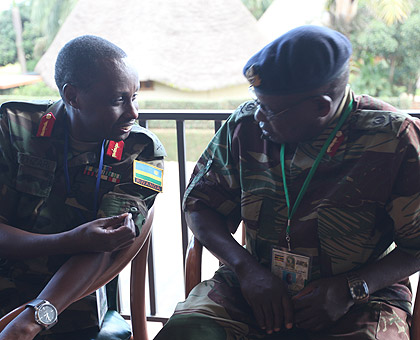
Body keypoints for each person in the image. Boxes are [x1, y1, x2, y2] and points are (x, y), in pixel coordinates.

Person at [154, 25, 420, 340]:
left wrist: (352, 288)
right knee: (185, 332)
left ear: (321, 107)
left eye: (270, 110)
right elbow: (199, 206)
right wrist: (245, 269)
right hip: (254, 285)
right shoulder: (246, 126)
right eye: (257, 102)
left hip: (360, 297)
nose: (257, 116)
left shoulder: (392, 139)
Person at [0, 35, 165, 340]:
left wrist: (34, 317)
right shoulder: (11, 127)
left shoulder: (142, 152)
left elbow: (105, 245)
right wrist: (71, 240)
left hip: (75, 298)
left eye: (135, 97)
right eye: (118, 100)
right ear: (73, 96)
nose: (134, 113)